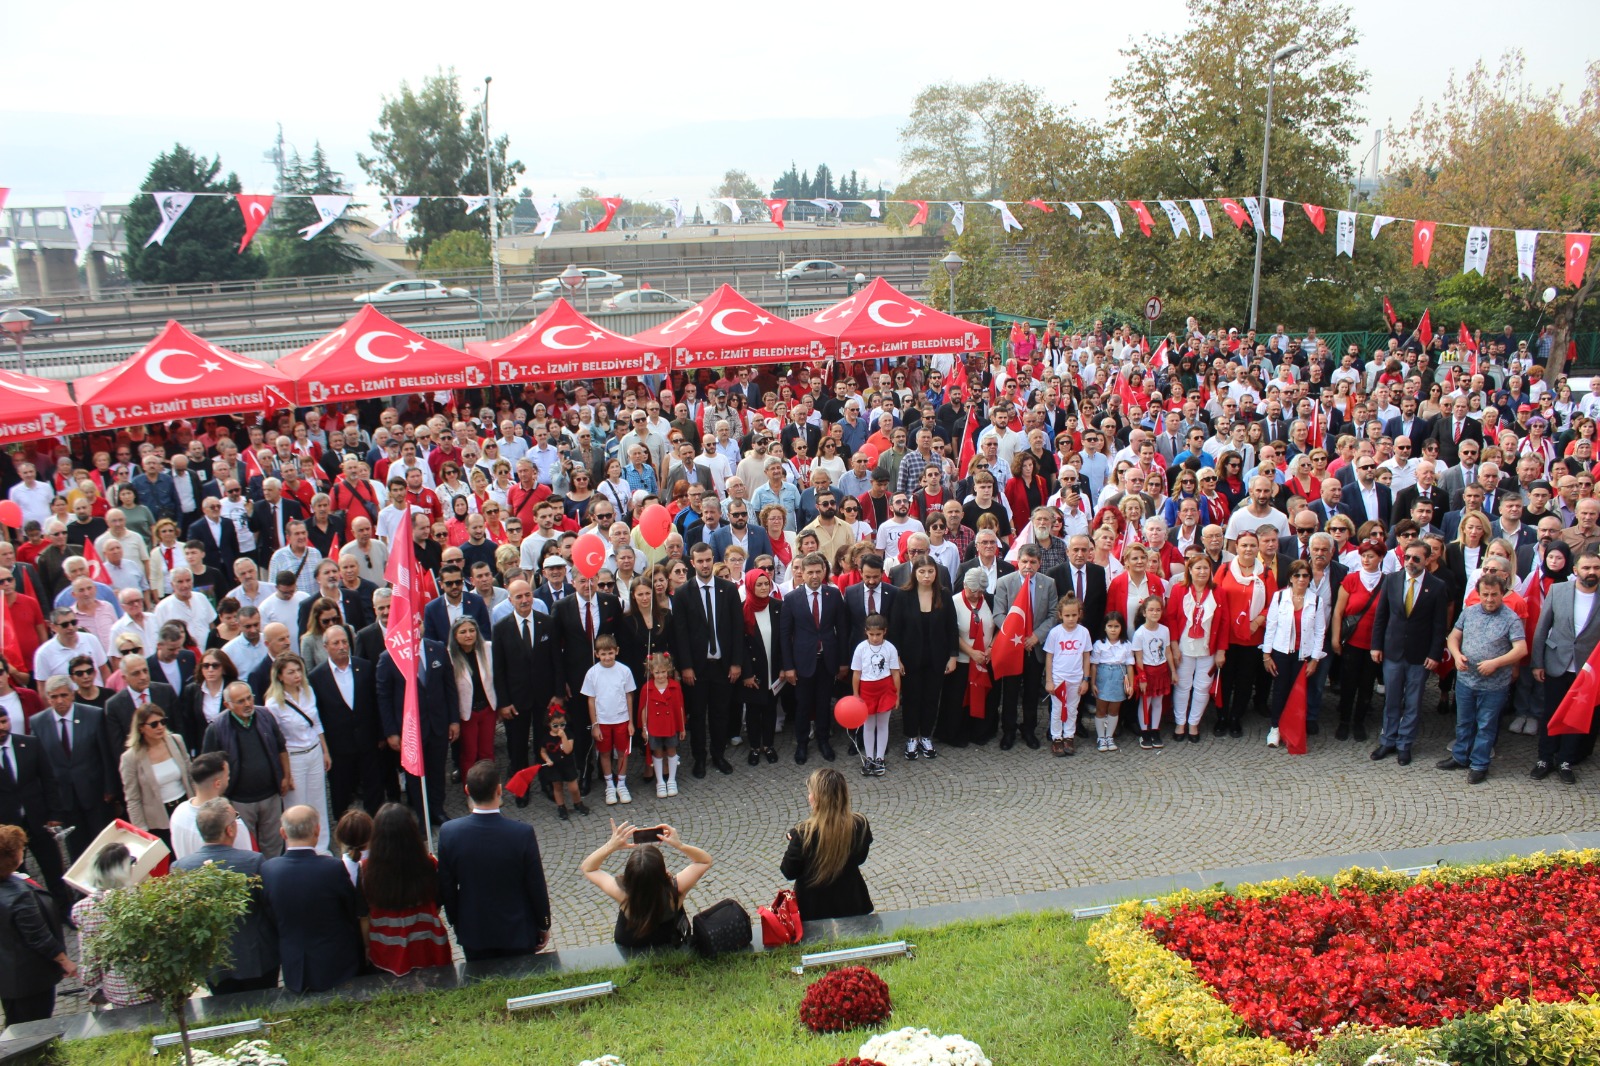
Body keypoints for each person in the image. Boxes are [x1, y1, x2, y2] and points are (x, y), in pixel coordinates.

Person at [436, 761, 552, 962]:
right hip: (517, 928)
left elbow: (447, 886)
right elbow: (536, 884)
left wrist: (456, 921)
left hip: (474, 929)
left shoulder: (449, 833)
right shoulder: (521, 833)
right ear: (499, 790)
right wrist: (544, 923)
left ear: (466, 790)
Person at [172, 798, 279, 994]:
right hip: (255, 957)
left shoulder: (181, 868)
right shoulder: (252, 861)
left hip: (213, 963)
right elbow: (269, 907)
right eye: (236, 818)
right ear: (230, 830)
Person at [260, 805, 367, 993]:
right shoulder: (332, 868)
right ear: (317, 830)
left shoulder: (269, 870)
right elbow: (351, 908)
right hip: (335, 964)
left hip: (294, 966)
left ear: (283, 833)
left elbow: (270, 914)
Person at [1440, 572, 1528, 784]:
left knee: (1486, 725)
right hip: (1465, 680)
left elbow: (1521, 649)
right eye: (1485, 594)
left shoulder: (1511, 618)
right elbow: (1453, 636)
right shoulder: (1469, 612)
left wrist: (1496, 663)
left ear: (1502, 594)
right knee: (1464, 722)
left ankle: (1479, 764)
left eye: (1494, 595)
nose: (1489, 599)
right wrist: (1457, 654)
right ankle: (1460, 756)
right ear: (1478, 594)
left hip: (1494, 684)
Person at [1369, 540, 1450, 766]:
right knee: (1392, 699)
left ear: (1427, 559)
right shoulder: (1391, 580)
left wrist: (1435, 654)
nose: (1411, 562)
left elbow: (1439, 625)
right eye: (1407, 557)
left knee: (1413, 702)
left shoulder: (1437, 586)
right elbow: (1381, 616)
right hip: (1393, 650)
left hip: (1419, 654)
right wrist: (1376, 646)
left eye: (1416, 558)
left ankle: (1405, 744)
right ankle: (1388, 740)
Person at [671, 542, 746, 776]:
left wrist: (736, 663)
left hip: (723, 666)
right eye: (700, 561)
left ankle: (718, 754)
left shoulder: (728, 589)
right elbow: (680, 634)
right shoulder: (683, 593)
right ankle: (699, 758)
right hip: (697, 668)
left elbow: (737, 629)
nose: (705, 565)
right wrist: (686, 667)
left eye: (708, 560)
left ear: (713, 560)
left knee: (720, 713)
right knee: (697, 716)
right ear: (692, 563)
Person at [581, 819, 714, 949]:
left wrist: (611, 845)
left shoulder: (621, 893)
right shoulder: (677, 887)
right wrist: (679, 845)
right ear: (663, 871)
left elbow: (588, 868)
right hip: (668, 939)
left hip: (631, 942)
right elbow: (704, 861)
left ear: (629, 875)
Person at [1530, 546, 1600, 784]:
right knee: (1550, 712)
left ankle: (1566, 760)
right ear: (1575, 569)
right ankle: (1545, 758)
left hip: (1587, 671)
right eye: (1587, 567)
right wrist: (1537, 663)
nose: (1592, 572)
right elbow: (1542, 629)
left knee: (1576, 716)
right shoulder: (1558, 591)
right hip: (1556, 663)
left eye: (1596, 568)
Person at [30, 675, 117, 861]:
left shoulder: (93, 715)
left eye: (63, 695)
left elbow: (105, 754)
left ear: (72, 694)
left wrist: (110, 788)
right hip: (64, 798)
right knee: (77, 848)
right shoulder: (37, 722)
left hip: (94, 793)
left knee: (103, 842)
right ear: (47, 698)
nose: (59, 701)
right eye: (53, 697)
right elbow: (39, 767)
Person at [360, 803, 452, 976]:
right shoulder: (429, 864)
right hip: (427, 946)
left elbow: (365, 911)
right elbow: (438, 904)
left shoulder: (365, 870)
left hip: (386, 950)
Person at [201, 681, 290, 858]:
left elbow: (281, 747)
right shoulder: (217, 727)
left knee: (273, 842)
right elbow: (208, 766)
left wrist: (286, 776)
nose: (248, 704)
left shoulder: (265, 715)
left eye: (249, 698)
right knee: (246, 846)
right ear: (228, 705)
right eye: (241, 701)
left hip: (271, 794)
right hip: (239, 800)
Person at [0, 823, 76, 1025]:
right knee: (33, 1026)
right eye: (20, 848)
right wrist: (65, 961)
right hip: (30, 978)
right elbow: (39, 937)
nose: (23, 850)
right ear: (11, 857)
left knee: (16, 1023)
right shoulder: (19, 897)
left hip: (8, 975)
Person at [777, 551, 846, 765]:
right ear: (802, 573)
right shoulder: (791, 599)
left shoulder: (833, 595)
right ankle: (802, 744)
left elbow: (842, 630)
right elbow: (785, 635)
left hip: (828, 660)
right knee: (803, 705)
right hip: (802, 661)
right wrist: (788, 666)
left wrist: (843, 661)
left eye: (818, 571)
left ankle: (824, 741)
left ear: (824, 572)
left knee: (824, 703)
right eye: (810, 572)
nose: (814, 576)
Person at [779, 768, 873, 923]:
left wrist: (794, 841)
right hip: (851, 902)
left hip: (813, 909)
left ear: (817, 798)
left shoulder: (803, 834)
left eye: (811, 793)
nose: (809, 797)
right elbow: (860, 859)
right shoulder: (859, 825)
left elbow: (789, 871)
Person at [72, 843, 155, 1007]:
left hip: (117, 990)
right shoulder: (143, 901)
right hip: (153, 984)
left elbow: (90, 956)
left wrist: (92, 986)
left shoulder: (83, 909)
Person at [264, 654, 331, 852]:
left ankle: (322, 847)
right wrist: (285, 773)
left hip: (313, 751)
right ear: (280, 676)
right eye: (291, 672)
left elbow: (316, 723)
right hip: (294, 757)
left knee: (318, 801)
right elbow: (276, 740)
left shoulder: (308, 691)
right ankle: (298, 848)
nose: (297, 676)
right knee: (296, 805)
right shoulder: (274, 704)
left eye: (299, 670)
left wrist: (325, 751)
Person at [993, 545, 1058, 749]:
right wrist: (1017, 636)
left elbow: (1054, 614)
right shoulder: (1005, 583)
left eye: (1033, 562)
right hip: (1013, 647)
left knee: (1031, 693)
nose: (1028, 566)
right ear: (1018, 562)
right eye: (1025, 562)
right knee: (1010, 693)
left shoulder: (1048, 583)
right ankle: (1009, 731)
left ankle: (1029, 730)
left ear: (1039, 563)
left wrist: (1036, 636)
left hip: (1035, 648)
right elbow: (998, 614)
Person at [1259, 560, 1327, 750]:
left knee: (1298, 694)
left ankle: (1292, 729)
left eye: (1305, 575)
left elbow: (1320, 631)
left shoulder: (1316, 601)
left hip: (1303, 654)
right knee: (1280, 690)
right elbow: (1271, 626)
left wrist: (1315, 659)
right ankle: (1275, 728)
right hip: (1281, 652)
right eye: (1297, 575)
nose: (1301, 579)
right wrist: (1266, 655)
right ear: (1290, 577)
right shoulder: (1279, 597)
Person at [1330, 539, 1387, 741]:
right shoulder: (1351, 580)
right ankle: (1344, 720)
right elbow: (1338, 612)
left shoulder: (1387, 581)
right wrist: (1336, 639)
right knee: (1348, 683)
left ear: (1380, 558)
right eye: (1363, 555)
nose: (1366, 559)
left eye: (1371, 556)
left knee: (1366, 684)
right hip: (1352, 642)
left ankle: (1359, 721)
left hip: (1374, 645)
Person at [1164, 556, 1224, 743]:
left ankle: (1194, 723)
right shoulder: (1179, 590)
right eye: (1198, 568)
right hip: (1184, 646)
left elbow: (1223, 622)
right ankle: (1180, 722)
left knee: (1202, 688)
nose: (1202, 572)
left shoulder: (1218, 592)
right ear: (1190, 570)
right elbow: (1171, 618)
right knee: (1183, 686)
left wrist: (1221, 650)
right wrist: (1174, 645)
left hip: (1208, 648)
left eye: (1206, 568)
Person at [119, 703, 194, 846]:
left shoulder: (176, 741)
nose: (160, 727)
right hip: (159, 820)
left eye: (163, 722)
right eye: (154, 724)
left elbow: (191, 776)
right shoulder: (130, 758)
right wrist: (141, 831)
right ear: (141, 728)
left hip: (186, 808)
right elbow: (133, 799)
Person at [582, 634, 637, 807]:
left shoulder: (624, 671)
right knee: (604, 753)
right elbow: (591, 700)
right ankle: (610, 785)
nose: (607, 657)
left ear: (616, 651)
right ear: (596, 654)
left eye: (610, 653)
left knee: (622, 752)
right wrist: (595, 725)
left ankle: (621, 783)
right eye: (603, 654)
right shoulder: (592, 673)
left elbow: (629, 696)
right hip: (603, 722)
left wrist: (630, 722)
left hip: (621, 719)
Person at [445, 618, 498, 777]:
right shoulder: (449, 656)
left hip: (488, 709)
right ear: (455, 635)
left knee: (487, 752)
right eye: (463, 632)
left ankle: (490, 788)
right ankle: (471, 792)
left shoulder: (488, 648)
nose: (468, 635)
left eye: (472, 630)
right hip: (466, 713)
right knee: (469, 754)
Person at [850, 613, 902, 775]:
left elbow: (895, 673)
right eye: (871, 634)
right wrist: (856, 695)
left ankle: (880, 758)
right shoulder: (861, 648)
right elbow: (856, 674)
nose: (874, 638)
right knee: (868, 725)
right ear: (866, 632)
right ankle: (869, 757)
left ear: (884, 631)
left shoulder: (890, 648)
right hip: (867, 690)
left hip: (885, 690)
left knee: (882, 725)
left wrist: (897, 695)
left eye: (878, 634)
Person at [739, 569, 782, 767]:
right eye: (759, 584)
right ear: (750, 586)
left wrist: (784, 667)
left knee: (771, 708)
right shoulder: (742, 610)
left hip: (774, 668)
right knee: (754, 710)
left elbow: (783, 641)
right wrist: (747, 674)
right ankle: (755, 747)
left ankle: (769, 745)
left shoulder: (777, 607)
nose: (764, 588)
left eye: (767, 583)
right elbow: (739, 645)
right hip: (753, 670)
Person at [637, 653, 686, 798]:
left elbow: (680, 708)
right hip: (654, 727)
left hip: (670, 725)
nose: (660, 676)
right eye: (657, 672)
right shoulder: (647, 688)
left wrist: (682, 727)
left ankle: (671, 780)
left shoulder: (674, 686)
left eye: (663, 672)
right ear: (651, 671)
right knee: (657, 753)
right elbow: (643, 709)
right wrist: (644, 728)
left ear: (669, 670)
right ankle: (659, 782)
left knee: (671, 751)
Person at [1131, 596, 1173, 749]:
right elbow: (1139, 657)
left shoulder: (1165, 630)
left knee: (1158, 702)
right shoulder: (1140, 633)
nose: (1155, 613)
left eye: (1158, 610)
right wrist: (1142, 677)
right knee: (1145, 702)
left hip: (1161, 671)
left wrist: (1173, 671)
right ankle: (1144, 731)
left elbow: (1168, 652)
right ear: (1144, 612)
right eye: (1151, 610)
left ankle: (1155, 730)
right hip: (1147, 672)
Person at [539, 703, 587, 820]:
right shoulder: (546, 737)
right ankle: (561, 806)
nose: (559, 728)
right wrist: (547, 759)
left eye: (562, 724)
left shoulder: (568, 734)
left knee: (574, 788)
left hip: (568, 765)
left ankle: (578, 803)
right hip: (554, 767)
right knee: (557, 787)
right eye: (555, 725)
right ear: (549, 724)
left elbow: (568, 750)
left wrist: (563, 737)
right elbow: (543, 751)